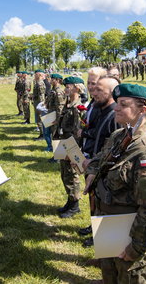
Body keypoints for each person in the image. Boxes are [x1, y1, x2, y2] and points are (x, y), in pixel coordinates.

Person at [83, 83, 146, 284]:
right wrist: (93, 172)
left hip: (129, 236)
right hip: (111, 229)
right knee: (109, 276)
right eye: (117, 103)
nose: (116, 108)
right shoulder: (119, 136)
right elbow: (100, 160)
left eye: (123, 104)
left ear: (142, 110)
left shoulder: (144, 152)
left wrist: (136, 247)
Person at [79, 76, 121, 247]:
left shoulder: (113, 115)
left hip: (106, 173)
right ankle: (98, 236)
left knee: (106, 208)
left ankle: (103, 244)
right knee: (96, 204)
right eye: (93, 88)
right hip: (96, 167)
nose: (93, 93)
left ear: (111, 93)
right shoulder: (100, 109)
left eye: (99, 90)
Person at [54, 76, 86, 219]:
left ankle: (75, 205)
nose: (66, 88)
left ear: (77, 88)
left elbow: (80, 131)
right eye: (66, 86)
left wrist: (74, 152)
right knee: (64, 173)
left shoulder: (80, 107)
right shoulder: (69, 103)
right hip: (63, 141)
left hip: (73, 145)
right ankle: (69, 200)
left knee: (73, 175)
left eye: (69, 86)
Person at [43, 73, 66, 154]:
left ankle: (57, 156)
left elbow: (60, 107)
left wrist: (58, 120)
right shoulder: (53, 89)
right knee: (46, 132)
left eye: (53, 79)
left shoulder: (58, 91)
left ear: (57, 80)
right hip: (50, 114)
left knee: (55, 135)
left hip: (55, 116)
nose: (51, 81)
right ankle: (50, 148)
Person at [32, 70, 47, 139]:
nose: (34, 76)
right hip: (37, 102)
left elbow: (41, 96)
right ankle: (42, 134)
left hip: (39, 103)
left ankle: (42, 135)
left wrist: (40, 106)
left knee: (40, 119)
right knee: (38, 119)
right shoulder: (37, 82)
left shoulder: (40, 83)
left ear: (39, 75)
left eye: (36, 75)